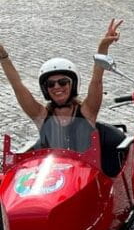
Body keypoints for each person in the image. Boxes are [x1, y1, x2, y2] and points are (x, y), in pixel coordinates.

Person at [0, 19, 123, 152]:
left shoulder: (87, 111)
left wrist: (103, 47)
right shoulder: (41, 116)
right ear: (45, 89)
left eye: (63, 82)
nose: (57, 87)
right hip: (52, 171)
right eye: (51, 84)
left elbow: (96, 80)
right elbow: (17, 86)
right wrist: (3, 57)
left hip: (86, 171)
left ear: (73, 85)